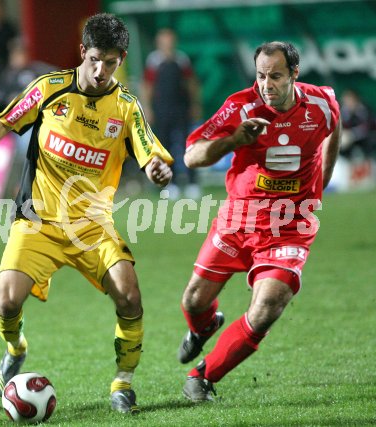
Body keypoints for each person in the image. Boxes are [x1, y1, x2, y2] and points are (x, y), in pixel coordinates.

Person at [0, 13, 173, 414]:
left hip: (93, 226)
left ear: (120, 58)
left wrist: (158, 170)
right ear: (82, 52)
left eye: (110, 62)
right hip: (37, 222)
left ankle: (123, 382)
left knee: (130, 297)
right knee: (6, 303)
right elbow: (3, 121)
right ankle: (15, 348)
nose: (100, 70)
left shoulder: (125, 107)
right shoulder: (49, 89)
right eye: (94, 59)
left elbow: (151, 153)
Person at [176, 41, 341, 401]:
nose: (267, 84)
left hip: (291, 223)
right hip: (240, 219)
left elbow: (333, 128)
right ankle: (204, 327)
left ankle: (203, 376)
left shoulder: (321, 103)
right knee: (192, 301)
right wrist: (235, 139)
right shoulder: (239, 107)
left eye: (276, 76)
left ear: (295, 74)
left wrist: (321, 183)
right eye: (261, 76)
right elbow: (192, 156)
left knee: (268, 306)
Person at [141, 28, 202, 199]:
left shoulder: (182, 59)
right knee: (164, 147)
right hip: (161, 110)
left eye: (170, 41)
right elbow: (147, 86)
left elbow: (191, 83)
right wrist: (148, 108)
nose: (167, 44)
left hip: (181, 108)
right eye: (164, 41)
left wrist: (195, 104)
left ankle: (192, 183)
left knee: (187, 145)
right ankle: (171, 184)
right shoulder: (153, 61)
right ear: (158, 43)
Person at [339, 88, 375, 160]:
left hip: (364, 140)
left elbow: (367, 127)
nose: (348, 103)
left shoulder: (365, 110)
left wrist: (352, 134)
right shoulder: (341, 111)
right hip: (346, 143)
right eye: (346, 100)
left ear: (356, 100)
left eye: (350, 100)